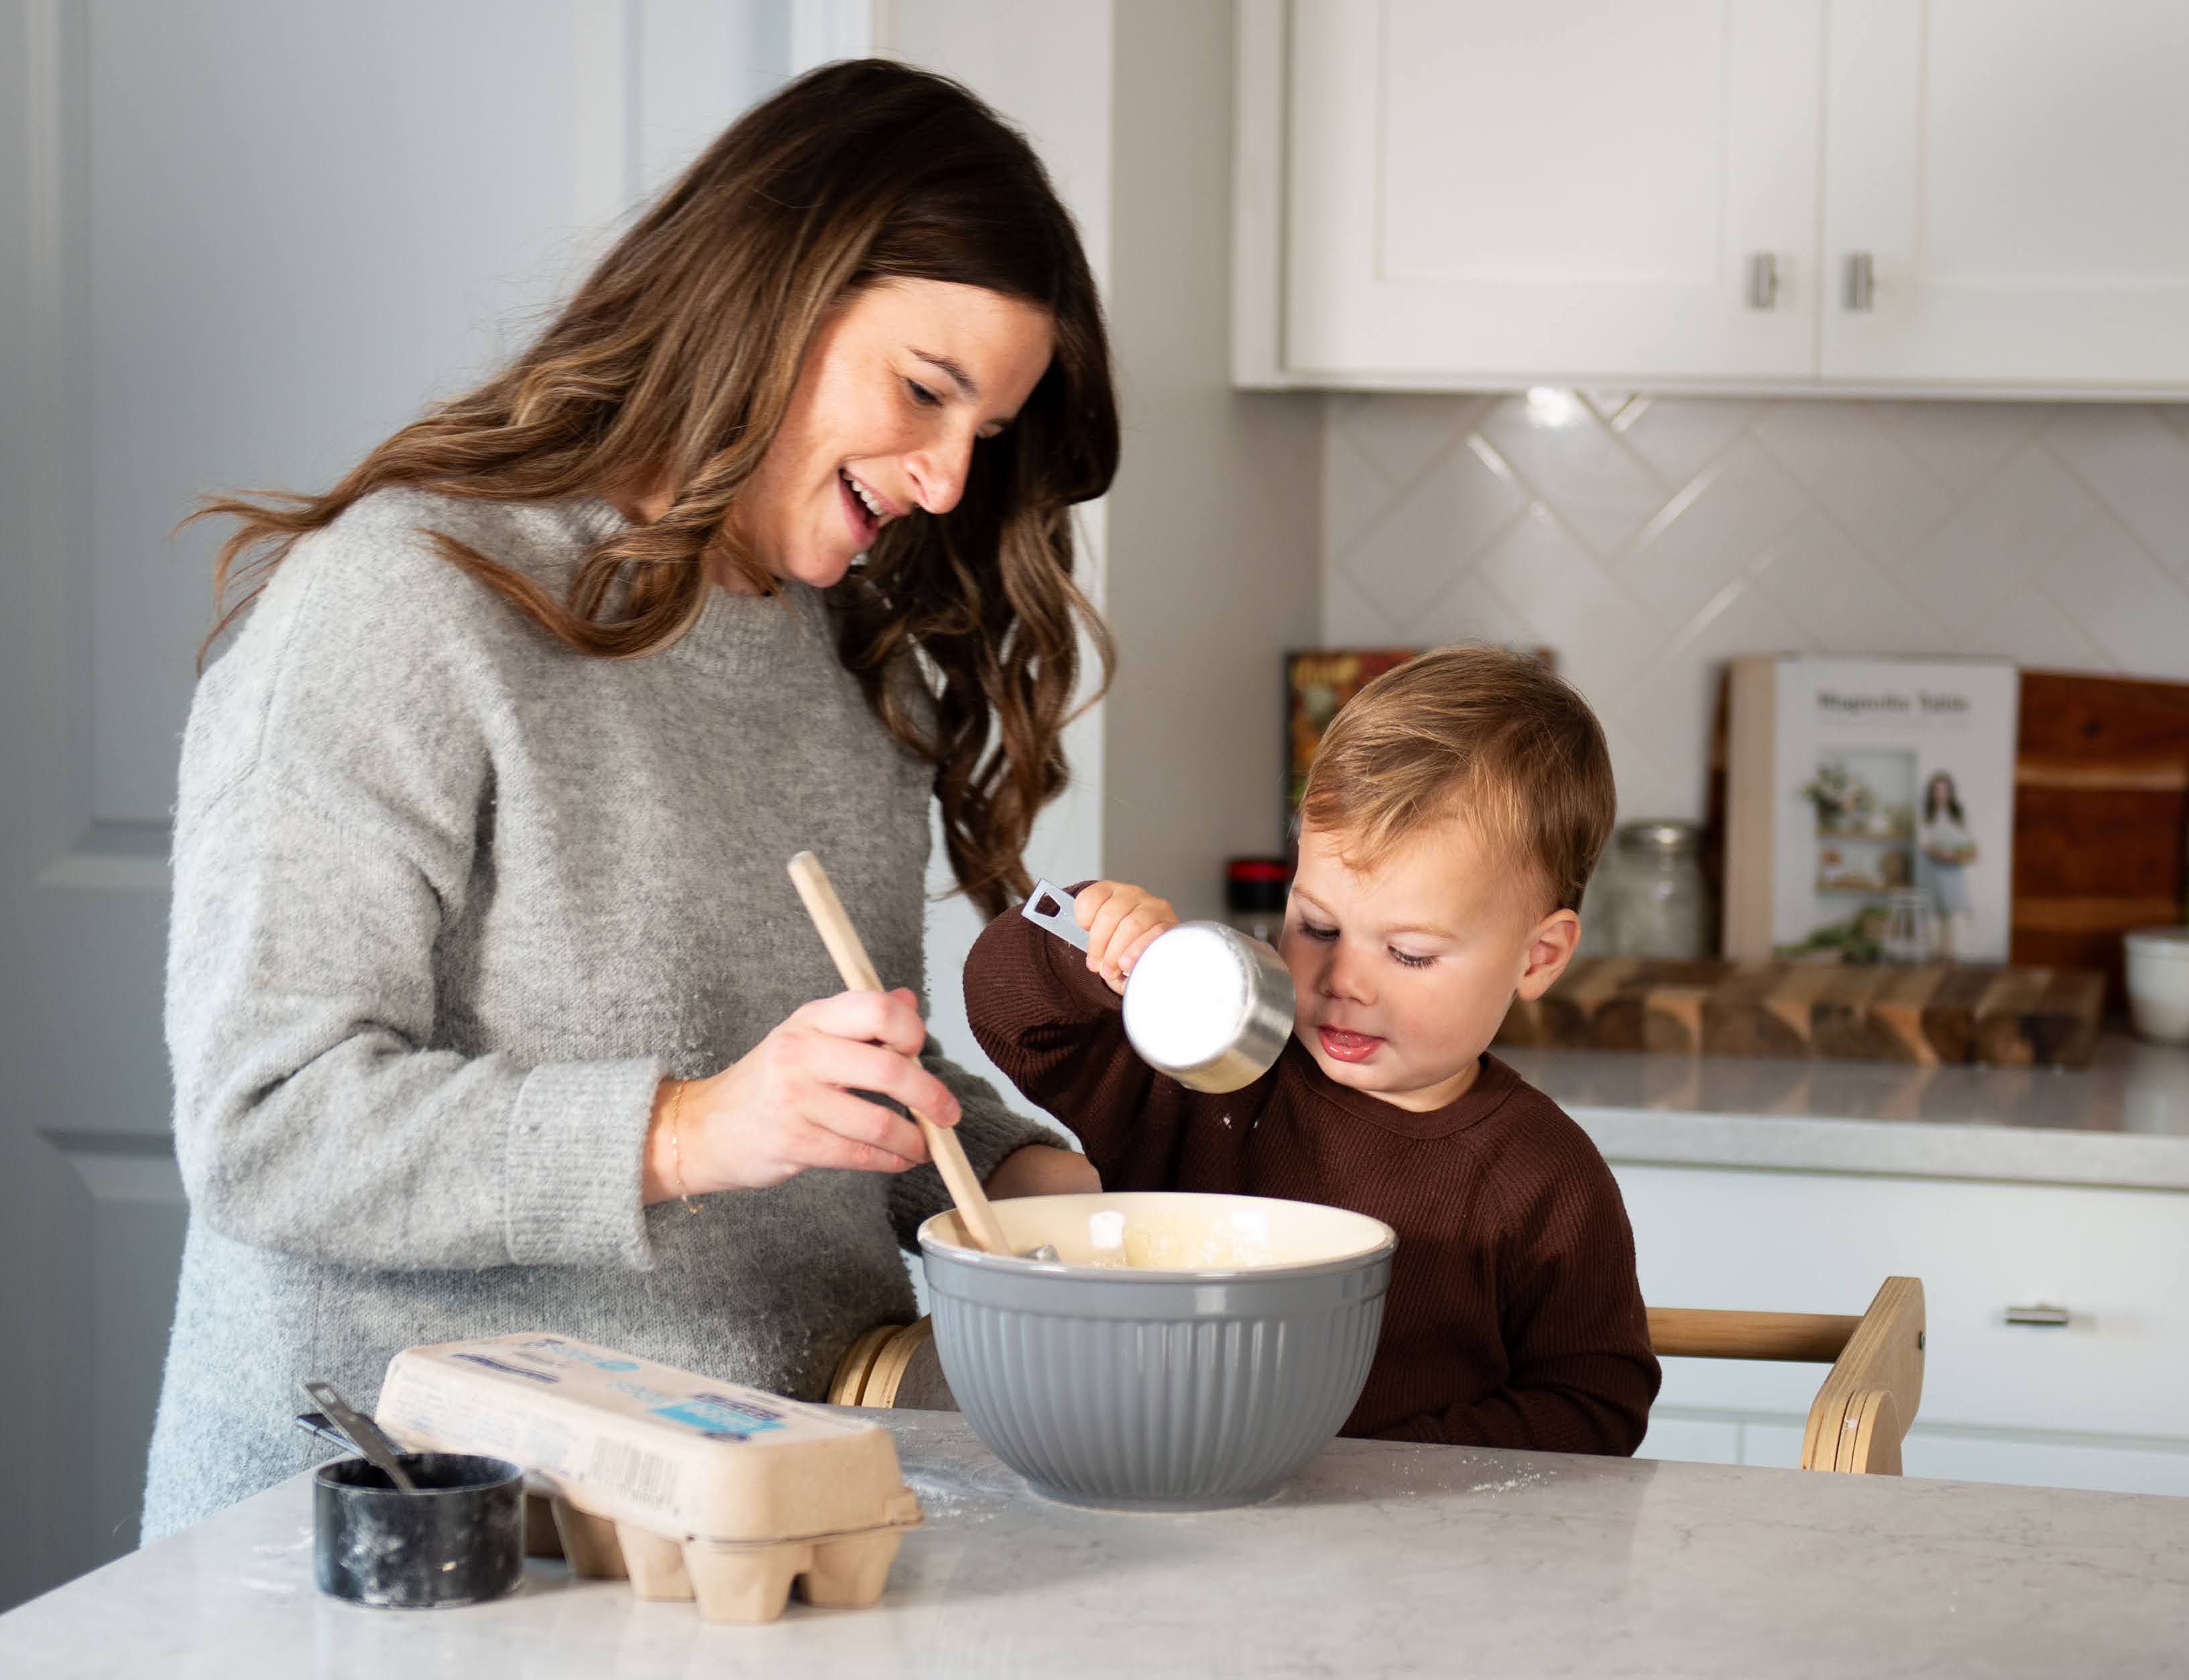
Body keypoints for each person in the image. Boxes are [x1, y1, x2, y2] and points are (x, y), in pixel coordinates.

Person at [141, 60, 1108, 1541]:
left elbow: (815, 1087)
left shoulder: (850, 671)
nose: (941, 477)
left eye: (983, 436)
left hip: (745, 1530)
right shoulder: (404, 603)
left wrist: (1029, 1181)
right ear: (771, 287)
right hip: (395, 1554)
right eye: (924, 392)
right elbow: (269, 1123)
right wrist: (679, 1132)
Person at [964, 646, 1660, 1453]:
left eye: (1408, 953)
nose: (1343, 980)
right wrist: (1096, 939)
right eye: (1318, 927)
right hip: (1151, 1491)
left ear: (1538, 957)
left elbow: (1596, 1403)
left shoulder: (1544, 1178)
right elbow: (1009, 1010)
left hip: (1406, 1554)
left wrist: (1377, 1472)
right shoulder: (1210, 1073)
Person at [1918, 770, 1977, 958]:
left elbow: (1972, 847)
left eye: (1944, 790)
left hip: (1955, 880)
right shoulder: (1926, 817)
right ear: (1931, 793)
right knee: (1936, 927)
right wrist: (1944, 854)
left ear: (1950, 792)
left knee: (1955, 927)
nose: (1940, 794)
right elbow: (1926, 846)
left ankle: (1952, 960)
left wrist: (1962, 856)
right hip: (1934, 876)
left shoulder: (1958, 816)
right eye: (1937, 790)